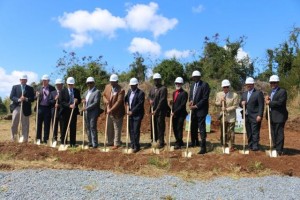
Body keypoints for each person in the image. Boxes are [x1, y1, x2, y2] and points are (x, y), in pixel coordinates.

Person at [265, 75, 288, 156]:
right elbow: (273, 101)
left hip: (279, 116)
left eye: (274, 82)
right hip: (271, 116)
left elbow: (280, 102)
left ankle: (279, 150)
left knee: (279, 133)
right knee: (273, 133)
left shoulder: (282, 91)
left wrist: (270, 102)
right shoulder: (271, 92)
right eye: (271, 83)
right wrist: (268, 99)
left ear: (277, 83)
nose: (273, 84)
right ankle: (274, 148)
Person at [240, 77, 264, 151]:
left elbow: (261, 105)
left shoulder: (258, 93)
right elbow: (240, 104)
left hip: (255, 116)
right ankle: (250, 144)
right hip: (246, 116)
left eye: (250, 84)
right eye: (247, 85)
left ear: (253, 84)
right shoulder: (244, 94)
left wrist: (260, 115)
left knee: (255, 131)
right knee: (249, 131)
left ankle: (255, 145)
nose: (248, 86)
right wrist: (241, 103)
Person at [189, 70, 210, 154]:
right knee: (193, 126)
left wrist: (196, 106)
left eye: (196, 77)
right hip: (193, 110)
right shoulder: (193, 85)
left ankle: (203, 147)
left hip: (201, 110)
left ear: (199, 77)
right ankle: (194, 142)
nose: (195, 78)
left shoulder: (205, 85)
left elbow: (205, 98)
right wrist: (190, 101)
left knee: (201, 128)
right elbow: (191, 95)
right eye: (193, 77)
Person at [102, 74, 125, 150]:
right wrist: (106, 102)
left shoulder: (121, 90)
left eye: (114, 82)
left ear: (117, 81)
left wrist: (111, 109)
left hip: (117, 112)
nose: (112, 83)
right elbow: (104, 96)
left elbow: (119, 102)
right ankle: (110, 141)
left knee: (117, 127)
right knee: (109, 127)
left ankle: (116, 143)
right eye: (111, 82)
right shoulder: (107, 87)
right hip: (109, 111)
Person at [215, 79, 239, 152]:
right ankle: (223, 144)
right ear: (222, 87)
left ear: (229, 87)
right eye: (224, 87)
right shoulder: (218, 94)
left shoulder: (234, 95)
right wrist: (220, 102)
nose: (225, 88)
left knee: (231, 131)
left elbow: (235, 106)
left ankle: (231, 146)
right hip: (223, 116)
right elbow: (216, 103)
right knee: (223, 131)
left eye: (227, 87)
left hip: (231, 116)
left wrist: (226, 109)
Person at [10, 74, 35, 142]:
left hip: (25, 109)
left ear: (26, 80)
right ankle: (13, 138)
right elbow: (12, 96)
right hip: (17, 107)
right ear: (20, 80)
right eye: (22, 79)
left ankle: (24, 139)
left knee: (25, 124)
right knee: (14, 123)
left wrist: (26, 99)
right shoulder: (15, 87)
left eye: (24, 80)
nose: (23, 81)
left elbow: (32, 98)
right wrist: (18, 99)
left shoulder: (30, 88)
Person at [148, 73, 169, 148]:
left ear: (160, 80)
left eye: (158, 80)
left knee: (160, 126)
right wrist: (150, 100)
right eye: (155, 80)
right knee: (153, 126)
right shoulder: (152, 88)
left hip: (160, 111)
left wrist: (156, 110)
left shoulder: (163, 89)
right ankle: (154, 140)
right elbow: (149, 96)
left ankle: (161, 142)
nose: (156, 81)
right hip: (152, 110)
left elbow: (162, 100)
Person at [59, 77, 81, 147]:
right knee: (64, 127)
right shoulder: (62, 91)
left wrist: (77, 101)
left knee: (73, 128)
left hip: (73, 112)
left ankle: (72, 143)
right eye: (69, 84)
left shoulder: (76, 91)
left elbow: (79, 100)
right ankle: (63, 142)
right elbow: (61, 101)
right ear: (67, 84)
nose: (71, 86)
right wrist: (69, 105)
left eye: (72, 84)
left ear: (74, 84)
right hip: (65, 112)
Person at [124, 78, 145, 153]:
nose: (132, 87)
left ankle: (136, 146)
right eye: (131, 85)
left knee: (136, 130)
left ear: (136, 85)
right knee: (131, 130)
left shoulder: (141, 93)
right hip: (130, 115)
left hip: (137, 115)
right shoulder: (129, 91)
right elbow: (126, 99)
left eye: (133, 85)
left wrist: (132, 111)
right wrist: (126, 102)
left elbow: (140, 104)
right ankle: (132, 144)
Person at [35, 74, 56, 143]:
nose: (44, 82)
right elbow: (34, 98)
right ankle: (38, 138)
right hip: (40, 107)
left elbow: (54, 98)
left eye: (46, 80)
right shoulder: (38, 88)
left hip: (48, 108)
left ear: (48, 81)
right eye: (43, 80)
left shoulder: (52, 88)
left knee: (47, 124)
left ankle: (46, 139)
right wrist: (36, 96)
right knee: (38, 124)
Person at [82, 77, 101, 148]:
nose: (89, 84)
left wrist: (86, 108)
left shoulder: (97, 92)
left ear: (94, 83)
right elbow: (83, 98)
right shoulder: (86, 92)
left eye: (91, 83)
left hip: (93, 112)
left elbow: (96, 103)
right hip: (86, 113)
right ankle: (90, 142)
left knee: (92, 127)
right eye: (88, 83)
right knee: (87, 127)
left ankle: (95, 143)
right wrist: (83, 101)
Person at [170, 77, 188, 149]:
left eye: (179, 83)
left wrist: (175, 112)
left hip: (181, 114)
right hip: (174, 114)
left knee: (179, 128)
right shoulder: (174, 93)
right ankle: (179, 140)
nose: (177, 85)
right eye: (176, 83)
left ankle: (179, 143)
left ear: (181, 84)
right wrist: (171, 104)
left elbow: (182, 105)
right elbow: (175, 103)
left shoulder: (184, 93)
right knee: (174, 127)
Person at [49, 78, 64, 143]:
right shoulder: (52, 93)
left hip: (62, 111)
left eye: (60, 85)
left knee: (62, 125)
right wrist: (55, 100)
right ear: (56, 85)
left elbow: (66, 102)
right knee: (54, 125)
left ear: (62, 85)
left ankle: (63, 139)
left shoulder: (64, 92)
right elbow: (49, 102)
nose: (59, 86)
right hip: (54, 111)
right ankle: (54, 138)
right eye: (57, 85)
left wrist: (59, 106)